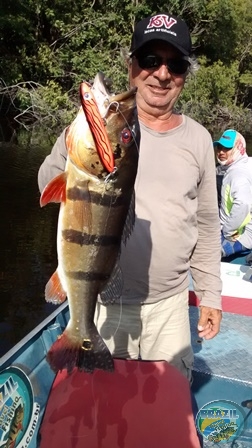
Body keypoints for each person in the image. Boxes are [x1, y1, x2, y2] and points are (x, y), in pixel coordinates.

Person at [38, 12, 222, 383]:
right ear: (131, 66)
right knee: (103, 410)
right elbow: (45, 183)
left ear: (184, 74)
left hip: (171, 307)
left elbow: (205, 222)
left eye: (176, 63)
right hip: (104, 302)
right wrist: (78, 135)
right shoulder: (103, 127)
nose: (162, 73)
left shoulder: (199, 139)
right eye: (150, 60)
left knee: (163, 413)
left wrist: (211, 294)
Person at [214, 129, 252, 258]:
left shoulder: (237, 174)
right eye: (219, 147)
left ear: (238, 148)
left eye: (227, 148)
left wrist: (227, 232)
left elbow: (243, 204)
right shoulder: (248, 164)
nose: (221, 152)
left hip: (239, 237)